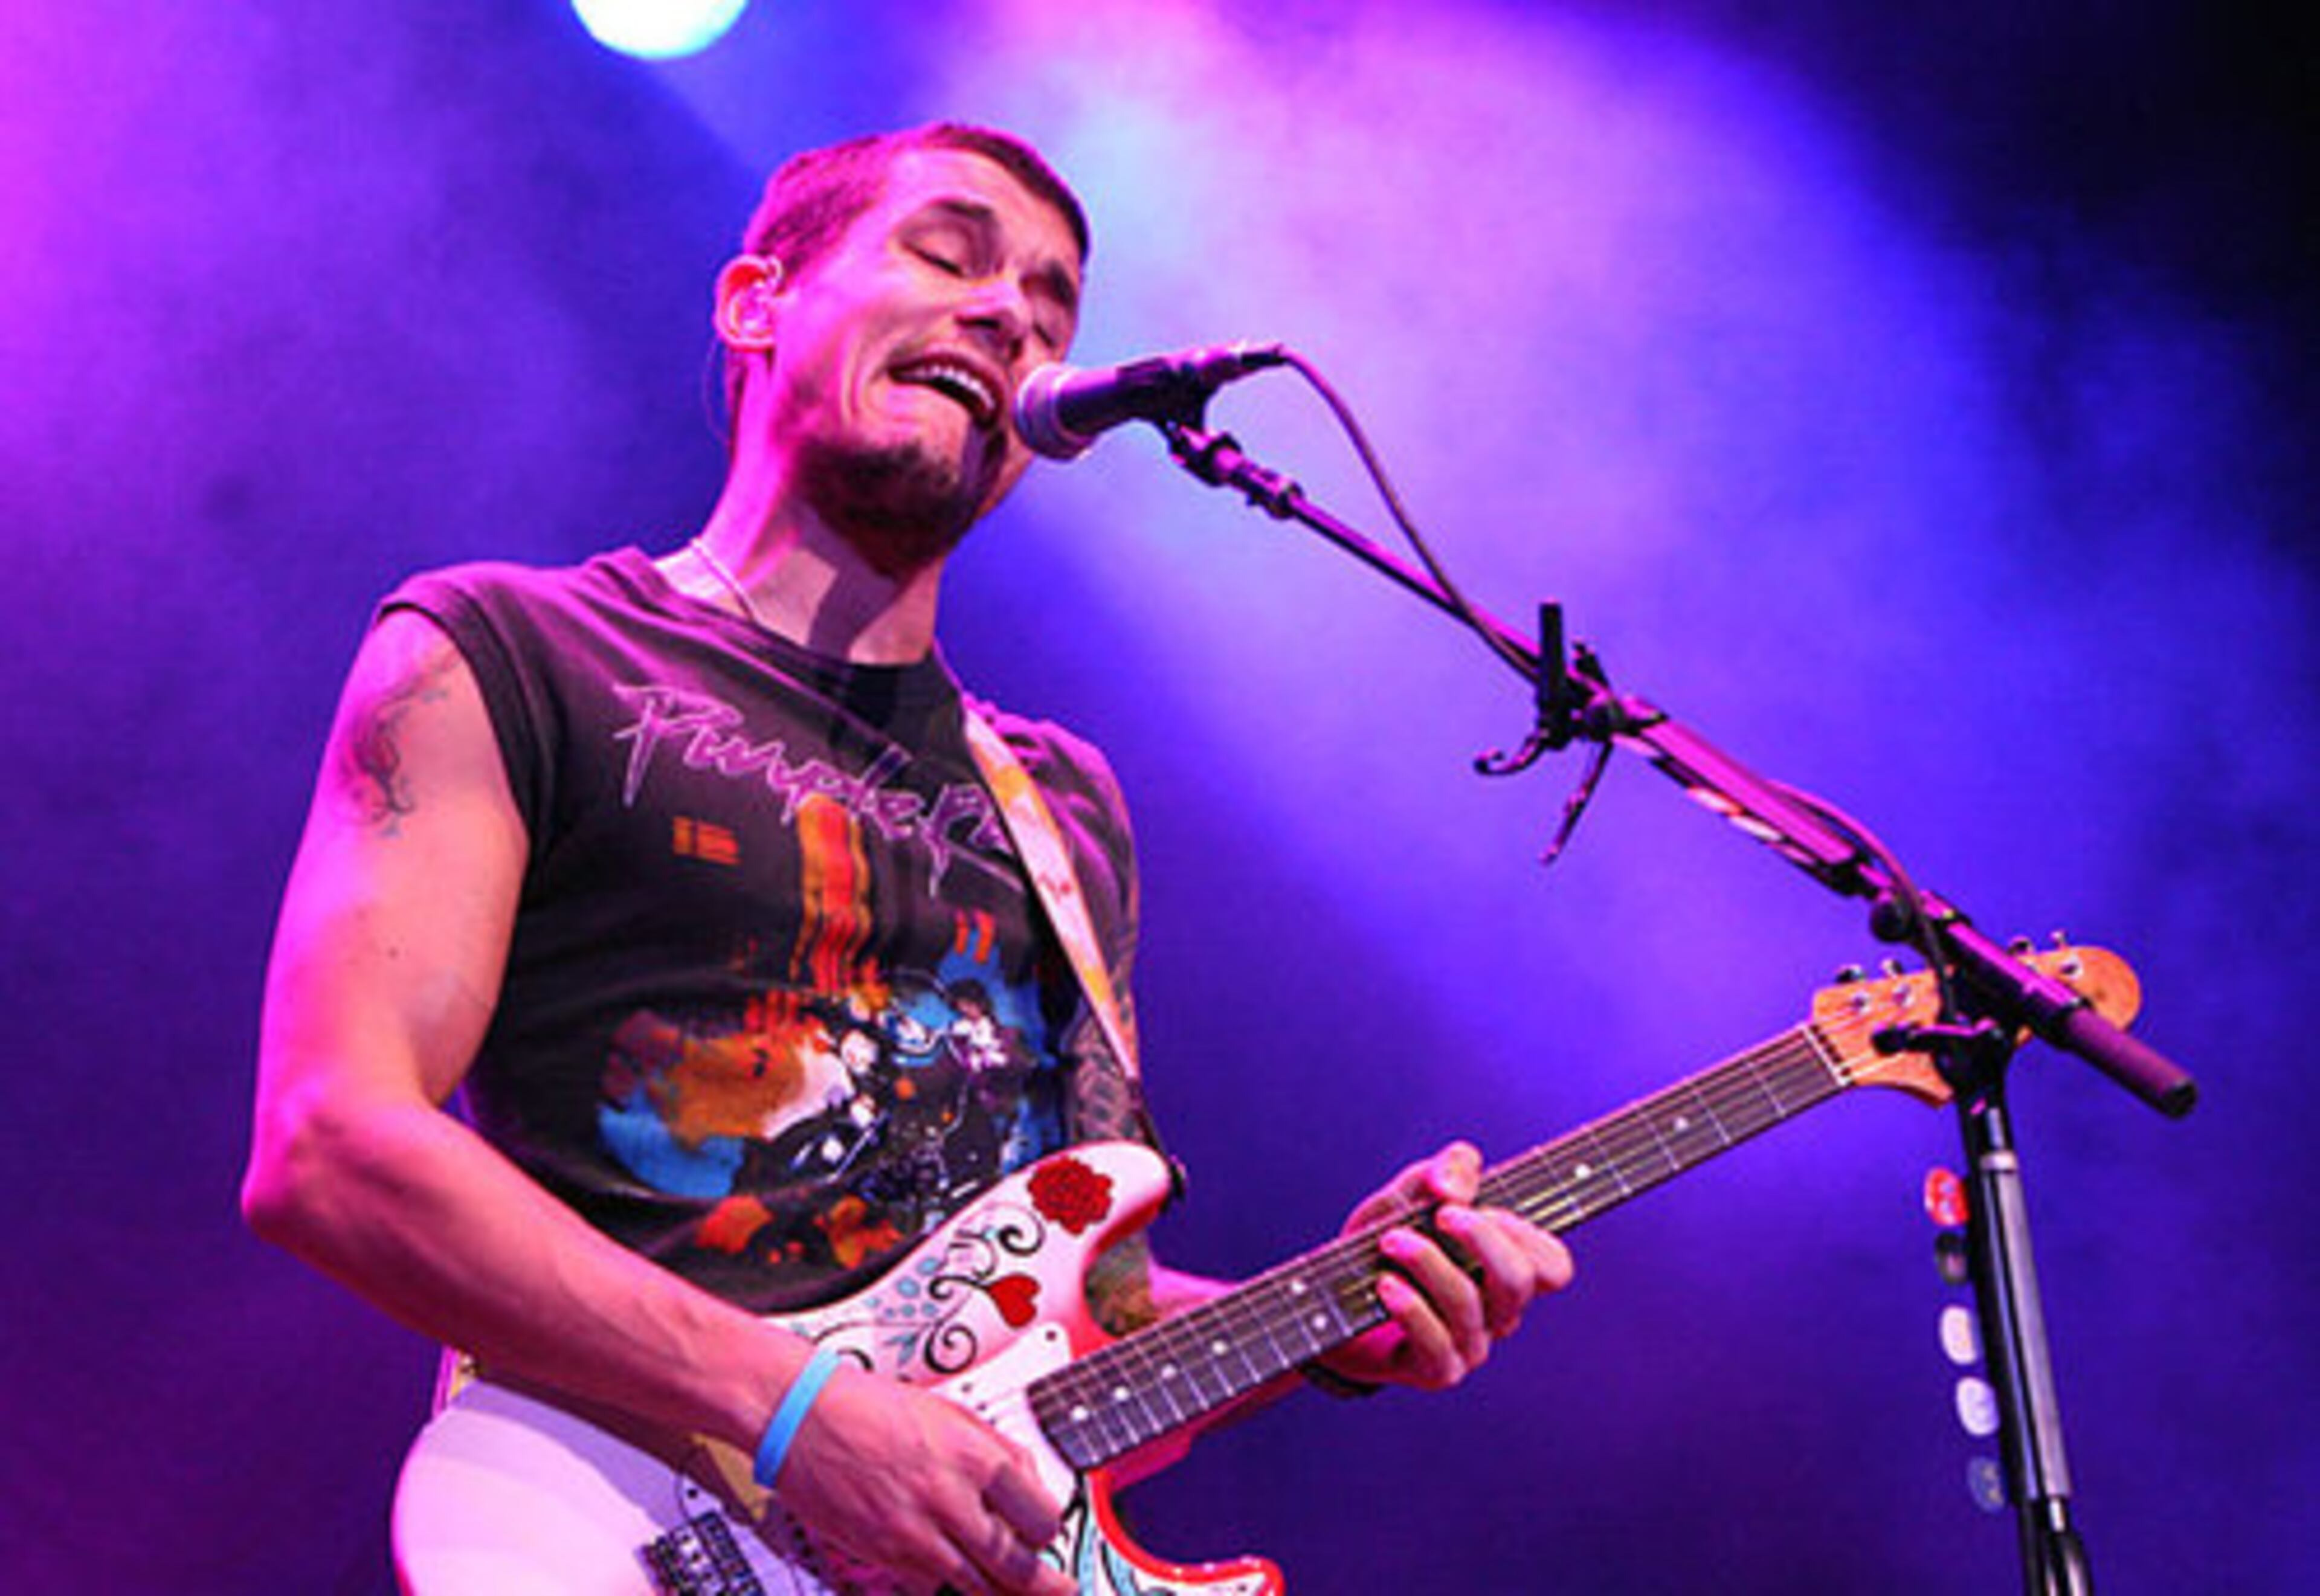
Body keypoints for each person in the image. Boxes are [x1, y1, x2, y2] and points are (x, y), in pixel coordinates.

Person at [242, 121, 1573, 1596]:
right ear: (757, 303)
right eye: (946, 254)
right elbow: (330, 1145)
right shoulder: (512, 650)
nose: (1009, 313)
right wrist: (796, 1409)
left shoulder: (1063, 806)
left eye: (1052, 309)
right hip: (613, 1530)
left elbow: (1074, 1339)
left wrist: (1334, 1320)